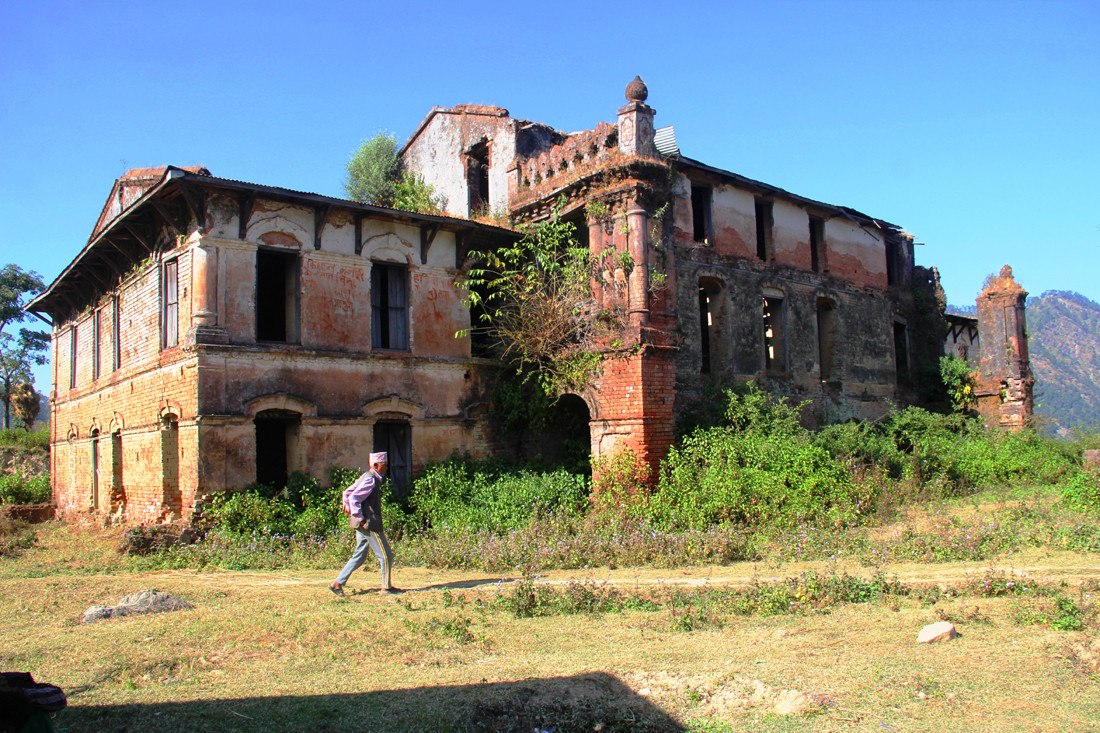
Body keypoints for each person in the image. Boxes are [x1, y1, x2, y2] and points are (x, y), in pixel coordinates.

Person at [330, 452, 398, 596]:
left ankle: (337, 583)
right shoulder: (371, 480)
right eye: (384, 466)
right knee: (386, 556)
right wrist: (359, 517)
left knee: (359, 556)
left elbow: (347, 493)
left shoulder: (366, 476)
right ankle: (386, 588)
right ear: (375, 465)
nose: (386, 468)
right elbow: (354, 497)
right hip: (369, 524)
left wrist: (347, 507)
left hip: (362, 524)